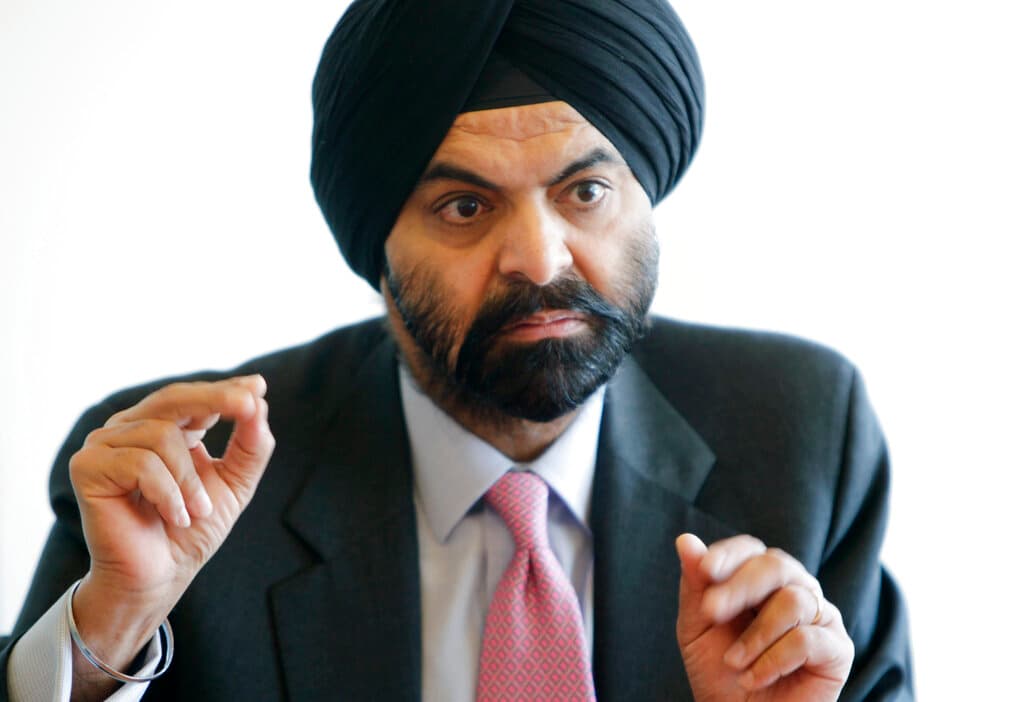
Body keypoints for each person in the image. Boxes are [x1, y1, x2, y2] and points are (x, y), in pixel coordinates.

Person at [1, 0, 913, 700]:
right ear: (376, 246)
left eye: (586, 192)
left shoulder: (800, 435)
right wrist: (110, 632)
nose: (540, 260)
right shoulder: (186, 484)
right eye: (466, 206)